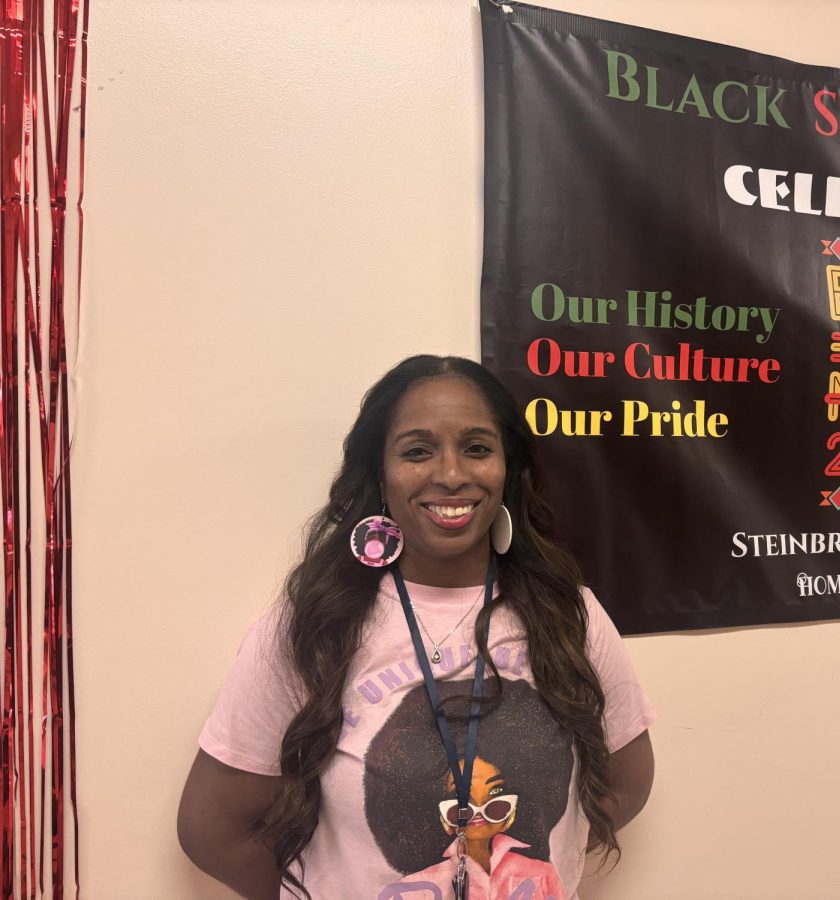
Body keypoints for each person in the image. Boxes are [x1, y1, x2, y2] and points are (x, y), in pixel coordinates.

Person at [178, 356, 656, 900]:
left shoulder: (571, 613)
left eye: (477, 448)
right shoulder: (309, 626)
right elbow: (212, 829)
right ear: (380, 474)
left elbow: (624, 781)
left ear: (508, 470)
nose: (451, 474)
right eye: (417, 451)